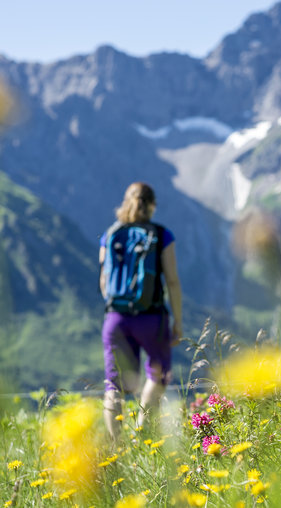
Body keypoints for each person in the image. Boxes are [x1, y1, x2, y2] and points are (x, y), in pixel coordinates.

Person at [99, 182, 183, 439]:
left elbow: (104, 280)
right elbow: (171, 280)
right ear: (152, 206)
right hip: (152, 317)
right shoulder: (161, 235)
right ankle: (143, 432)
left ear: (126, 202)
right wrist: (177, 320)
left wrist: (118, 306)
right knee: (158, 375)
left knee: (115, 385)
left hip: (116, 319)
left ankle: (117, 446)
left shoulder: (110, 235)